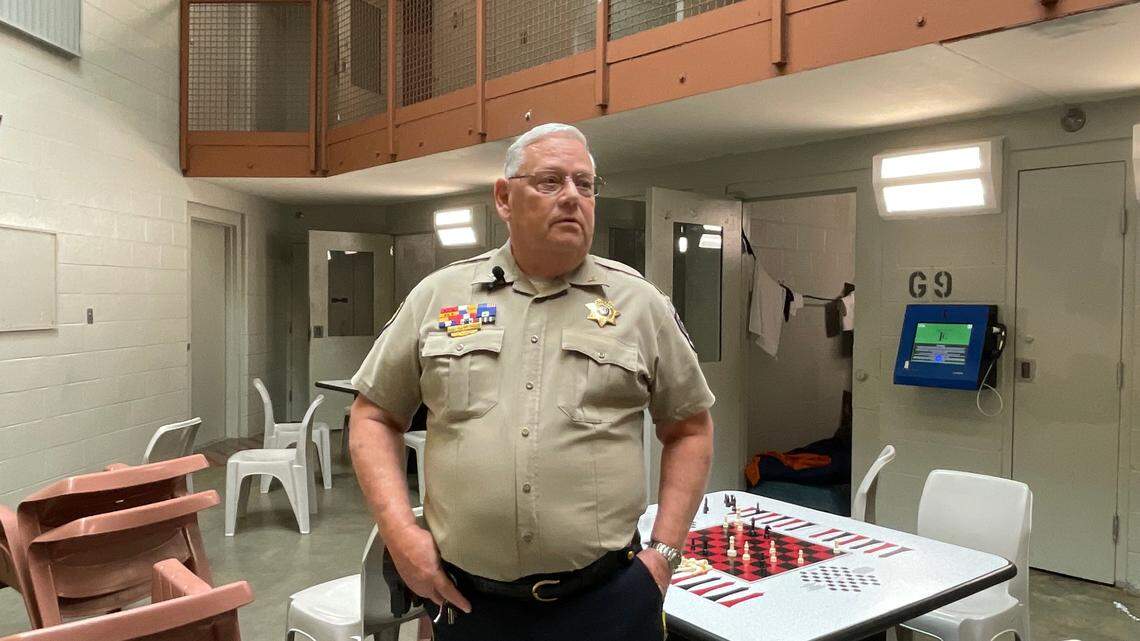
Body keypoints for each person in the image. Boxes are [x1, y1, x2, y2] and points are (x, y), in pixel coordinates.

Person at [349, 122, 715, 640]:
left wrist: (664, 555)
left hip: (608, 601)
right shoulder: (440, 298)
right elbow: (372, 417)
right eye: (550, 181)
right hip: (468, 604)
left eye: (584, 184)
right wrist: (400, 534)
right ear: (504, 198)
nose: (571, 196)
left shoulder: (639, 305)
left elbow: (691, 429)